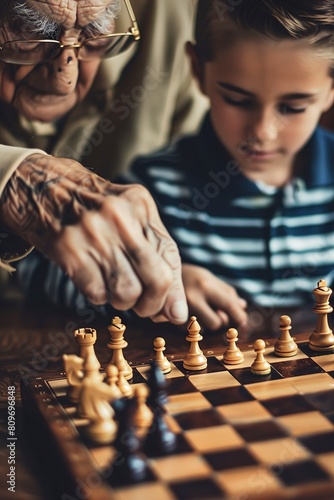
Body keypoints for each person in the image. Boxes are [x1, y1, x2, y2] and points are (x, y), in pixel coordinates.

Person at [125, 0, 334, 330]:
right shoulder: (153, 189)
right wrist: (165, 282)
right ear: (197, 69)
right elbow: (46, 274)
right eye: (237, 99)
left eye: (293, 107)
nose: (262, 132)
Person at [0, 0, 202, 325]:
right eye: (30, 33)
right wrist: (10, 175)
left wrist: (175, 269)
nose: (65, 80)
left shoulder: (167, 15)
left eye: (94, 33)